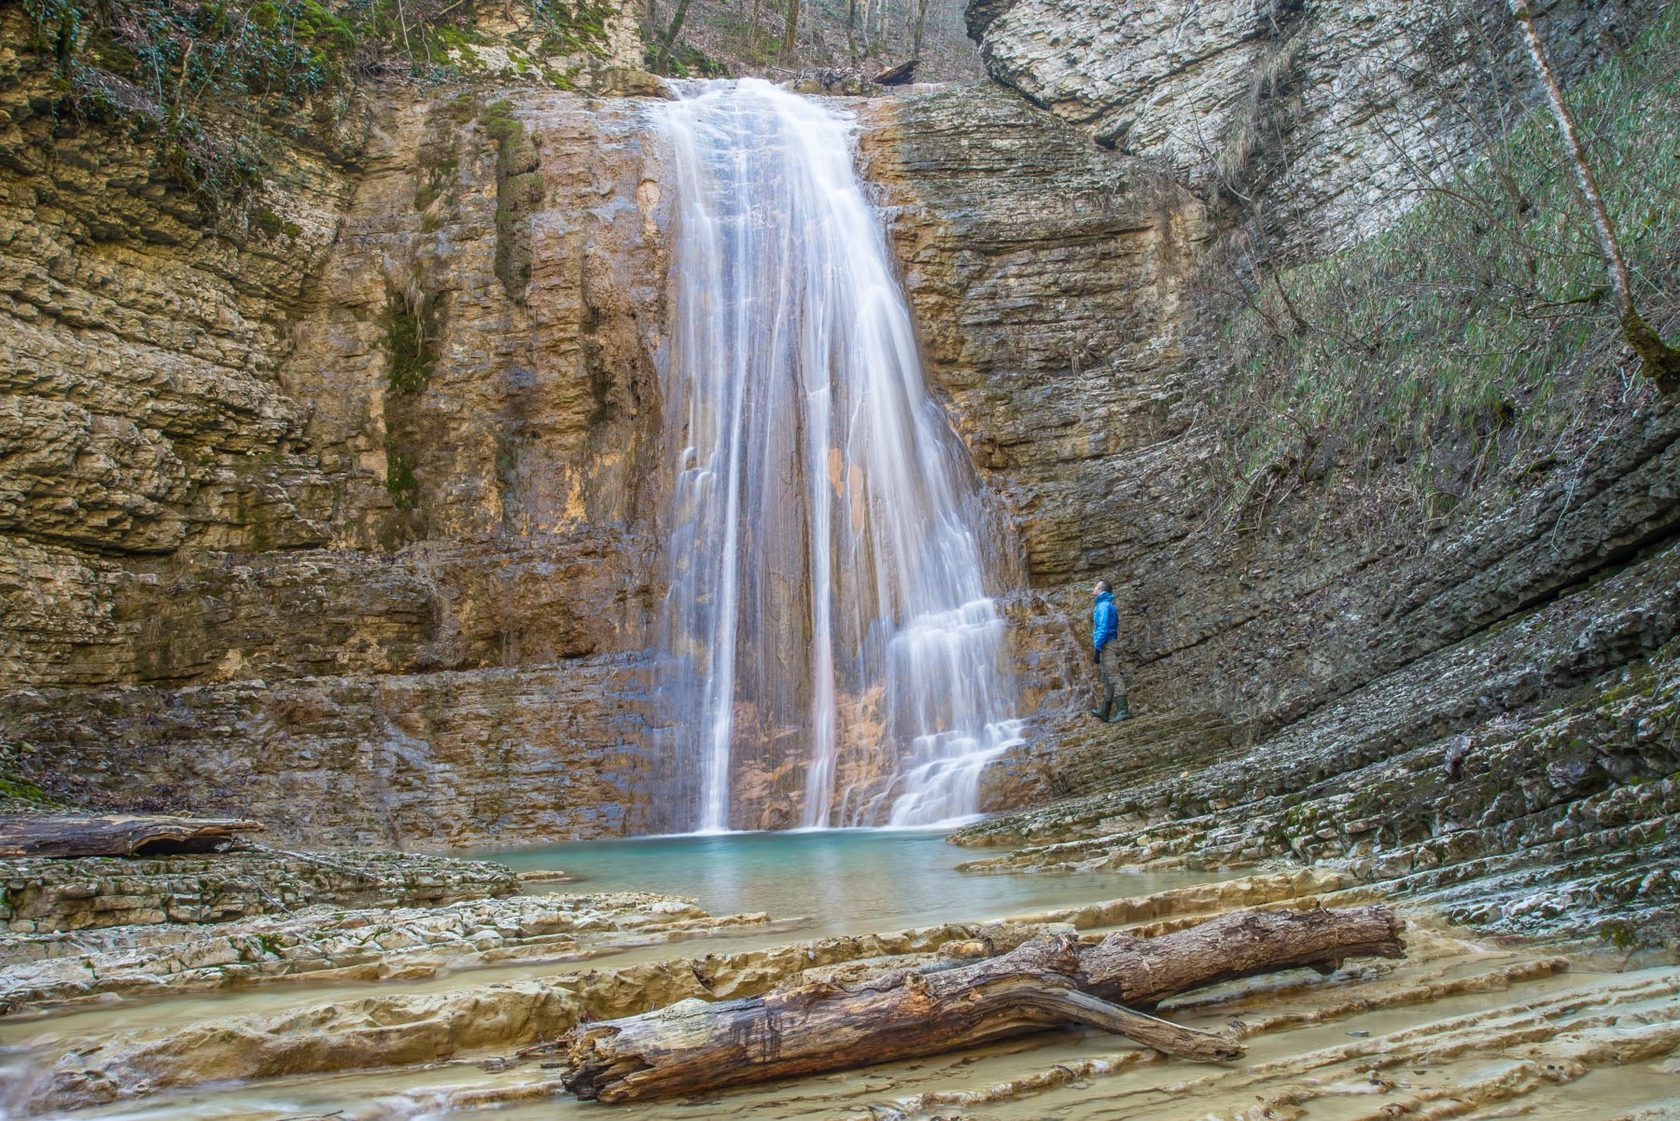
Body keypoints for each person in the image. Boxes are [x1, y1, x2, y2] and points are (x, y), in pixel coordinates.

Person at [1089, 580, 1130, 723]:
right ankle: (1104, 711)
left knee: (1113, 676)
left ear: (1100, 589)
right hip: (1107, 644)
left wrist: (1097, 647)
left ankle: (1123, 711)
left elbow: (1103, 628)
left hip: (1107, 644)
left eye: (1095, 586)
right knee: (1107, 678)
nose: (1093, 588)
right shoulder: (1104, 605)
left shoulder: (1104, 606)